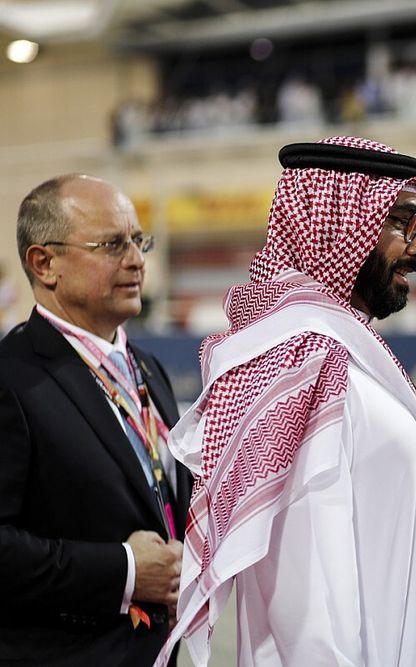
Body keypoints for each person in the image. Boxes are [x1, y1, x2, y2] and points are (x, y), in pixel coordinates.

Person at [157, 136, 416, 667]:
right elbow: (308, 613)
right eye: (401, 222)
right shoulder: (301, 362)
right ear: (332, 224)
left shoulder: (341, 346)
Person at [0, 174, 192, 665]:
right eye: (111, 244)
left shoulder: (148, 369)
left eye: (137, 240)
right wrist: (124, 570)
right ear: (44, 264)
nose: (136, 259)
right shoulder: (12, 377)